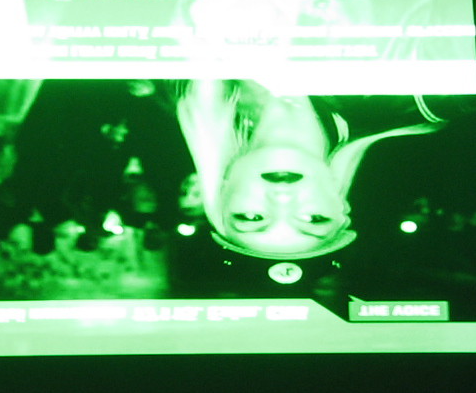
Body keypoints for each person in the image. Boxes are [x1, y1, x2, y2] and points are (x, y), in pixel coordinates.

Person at [175, 78, 438, 260]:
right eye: (313, 219)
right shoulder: (416, 103)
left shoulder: (189, 89)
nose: (282, 199)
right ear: (340, 205)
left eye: (252, 217)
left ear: (222, 195)